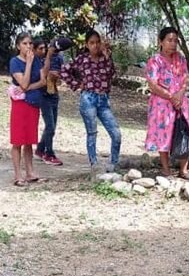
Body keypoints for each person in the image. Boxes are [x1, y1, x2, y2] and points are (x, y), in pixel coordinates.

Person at [62, 30, 123, 172]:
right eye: (92, 43)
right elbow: (64, 70)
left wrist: (108, 57)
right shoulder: (82, 59)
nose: (95, 46)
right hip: (88, 99)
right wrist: (77, 84)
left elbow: (111, 74)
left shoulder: (105, 58)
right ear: (87, 45)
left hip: (103, 100)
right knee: (92, 132)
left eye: (97, 42)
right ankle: (94, 164)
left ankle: (113, 164)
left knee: (116, 133)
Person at [145, 26, 189, 179]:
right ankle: (166, 169)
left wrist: (179, 94)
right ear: (161, 41)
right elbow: (152, 85)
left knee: (184, 131)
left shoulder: (180, 59)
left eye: (175, 41)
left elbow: (186, 78)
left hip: (180, 102)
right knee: (163, 134)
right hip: (162, 104)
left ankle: (183, 170)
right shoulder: (154, 61)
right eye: (169, 40)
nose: (173, 44)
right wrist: (170, 96)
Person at [9, 33, 46, 186]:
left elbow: (42, 81)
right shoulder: (15, 62)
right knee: (18, 140)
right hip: (20, 104)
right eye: (24, 43)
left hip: (33, 102)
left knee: (29, 140)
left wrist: (29, 87)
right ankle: (18, 175)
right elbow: (22, 83)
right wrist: (29, 64)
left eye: (30, 43)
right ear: (18, 46)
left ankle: (30, 172)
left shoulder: (37, 60)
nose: (28, 46)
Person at [35, 38, 65, 167]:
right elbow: (40, 74)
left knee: (51, 126)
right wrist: (48, 56)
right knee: (50, 127)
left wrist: (58, 75)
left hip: (54, 93)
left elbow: (63, 74)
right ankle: (49, 153)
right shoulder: (40, 59)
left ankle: (40, 149)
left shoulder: (59, 58)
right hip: (43, 95)